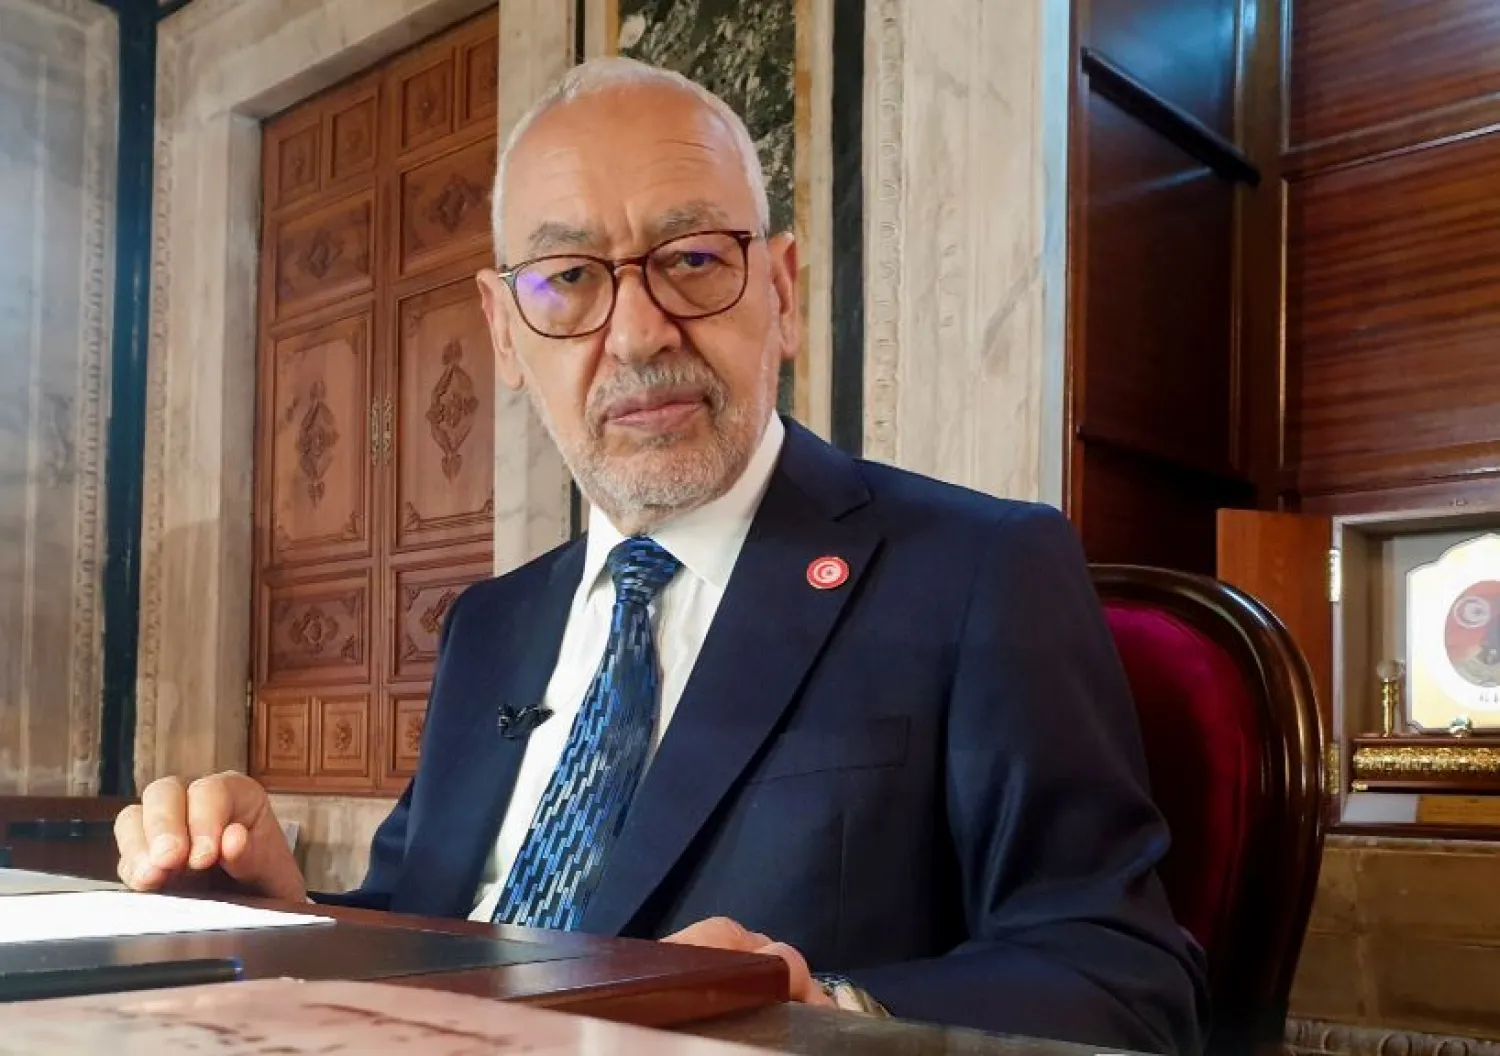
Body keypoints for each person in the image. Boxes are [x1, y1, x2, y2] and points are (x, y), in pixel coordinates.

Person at [115, 57, 1207, 1052]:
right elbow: (435, 922)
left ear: (779, 293)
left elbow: (1125, 981)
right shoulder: (489, 625)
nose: (638, 334)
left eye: (690, 260)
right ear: (503, 333)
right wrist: (281, 915)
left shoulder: (977, 571)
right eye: (571, 280)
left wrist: (826, 1007)